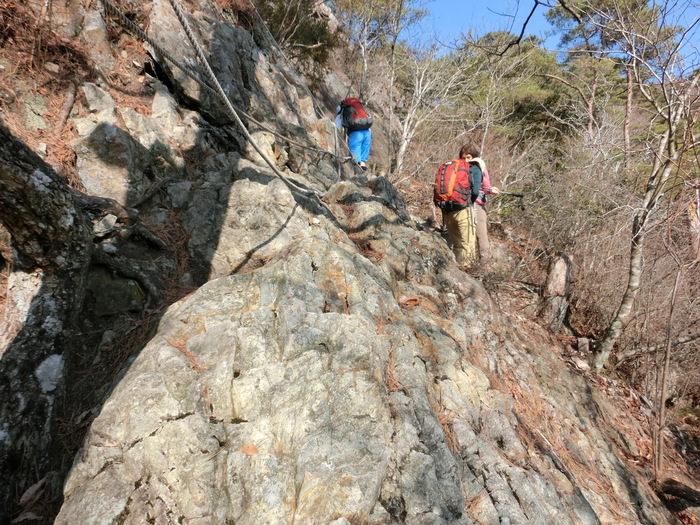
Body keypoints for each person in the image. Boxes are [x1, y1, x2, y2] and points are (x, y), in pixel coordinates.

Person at [436, 143, 483, 268]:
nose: (466, 160)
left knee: (457, 245)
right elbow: (476, 191)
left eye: (468, 157)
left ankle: (457, 271)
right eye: (465, 157)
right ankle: (467, 276)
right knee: (468, 245)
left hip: (447, 210)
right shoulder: (475, 169)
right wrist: (469, 202)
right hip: (463, 210)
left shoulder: (454, 168)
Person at [335, 97, 372, 170]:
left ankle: (356, 178)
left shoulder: (343, 110)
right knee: (362, 161)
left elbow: (337, 126)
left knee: (355, 162)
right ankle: (364, 177)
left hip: (356, 135)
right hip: (367, 133)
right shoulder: (361, 109)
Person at [474, 163, 500, 263]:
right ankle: (483, 265)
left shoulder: (460, 165)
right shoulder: (480, 165)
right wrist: (491, 189)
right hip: (477, 204)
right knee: (482, 237)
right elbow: (486, 186)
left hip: (460, 204)